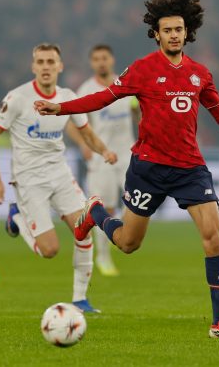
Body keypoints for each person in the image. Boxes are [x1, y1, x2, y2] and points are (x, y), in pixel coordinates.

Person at [35, 0, 219, 340]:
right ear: (156, 34)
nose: (174, 35)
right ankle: (96, 212)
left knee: (213, 237)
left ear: (187, 33)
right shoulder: (143, 69)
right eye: (167, 30)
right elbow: (104, 97)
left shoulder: (199, 74)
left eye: (179, 29)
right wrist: (61, 108)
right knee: (128, 244)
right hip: (148, 168)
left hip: (190, 168)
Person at [0, 43, 117, 313]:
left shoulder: (67, 97)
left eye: (51, 62)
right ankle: (16, 218)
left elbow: (87, 132)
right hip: (29, 179)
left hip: (60, 173)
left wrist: (104, 150)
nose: (46, 67)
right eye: (41, 62)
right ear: (33, 67)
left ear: (60, 66)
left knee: (84, 227)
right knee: (50, 250)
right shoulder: (17, 98)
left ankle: (80, 299)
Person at [73, 44, 138, 277]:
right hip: (101, 157)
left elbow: (138, 111)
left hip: (127, 153)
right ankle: (103, 256)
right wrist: (83, 144)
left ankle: (120, 239)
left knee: (134, 204)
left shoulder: (126, 84)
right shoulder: (86, 89)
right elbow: (74, 122)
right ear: (92, 63)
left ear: (112, 60)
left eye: (105, 58)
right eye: (97, 59)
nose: (101, 62)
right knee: (105, 207)